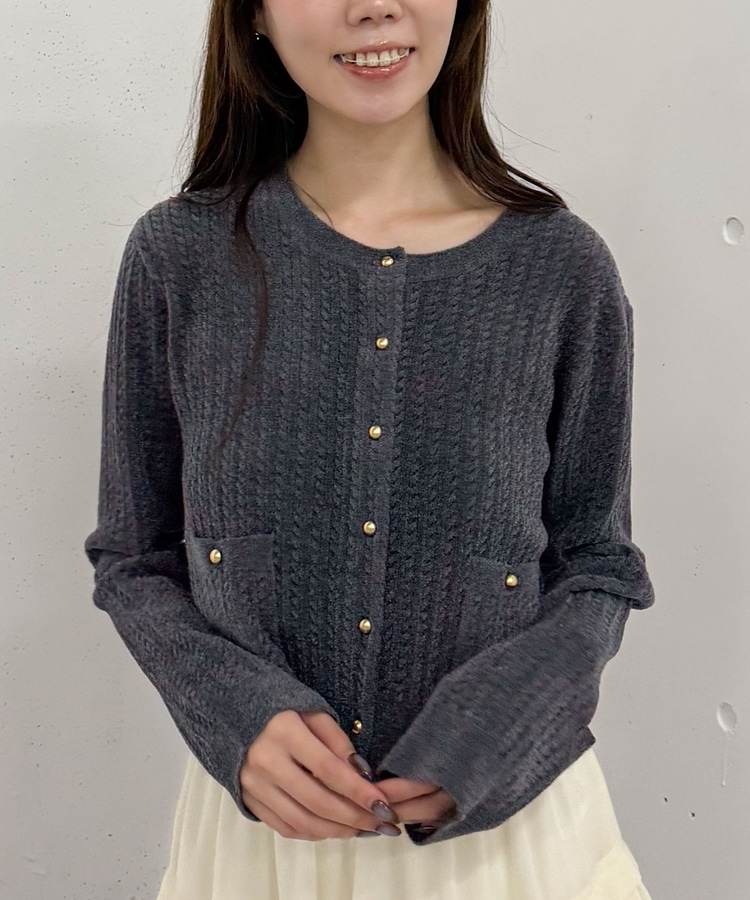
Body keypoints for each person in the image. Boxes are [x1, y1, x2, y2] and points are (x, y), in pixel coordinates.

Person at [83, 1, 657, 897]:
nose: (375, 6)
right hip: (265, 856)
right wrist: (234, 715)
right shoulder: (181, 257)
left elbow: (600, 565)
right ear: (255, 16)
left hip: (512, 852)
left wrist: (501, 721)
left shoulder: (561, 269)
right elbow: (134, 558)